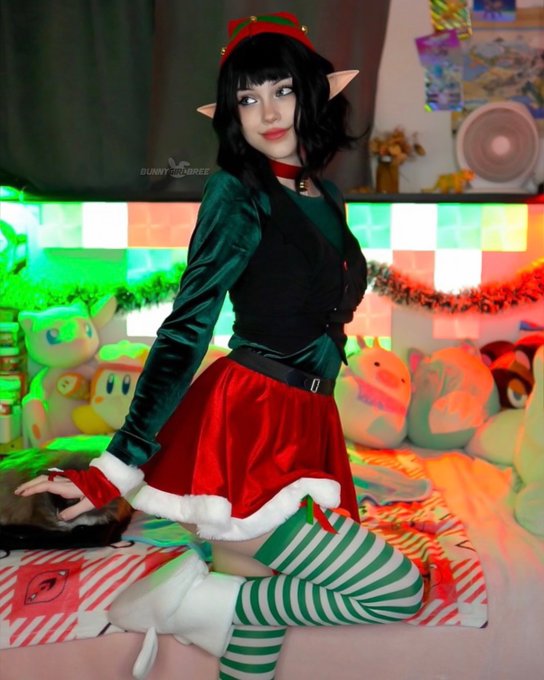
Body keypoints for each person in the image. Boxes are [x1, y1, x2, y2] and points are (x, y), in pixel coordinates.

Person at [16, 12, 424, 680]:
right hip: (247, 429)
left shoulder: (327, 195)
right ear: (232, 113)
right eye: (248, 98)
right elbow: (187, 327)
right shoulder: (236, 192)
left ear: (312, 93)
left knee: (257, 636)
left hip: (307, 425)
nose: (268, 112)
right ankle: (202, 599)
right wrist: (114, 468)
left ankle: (217, 602)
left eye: (282, 90)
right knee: (397, 588)